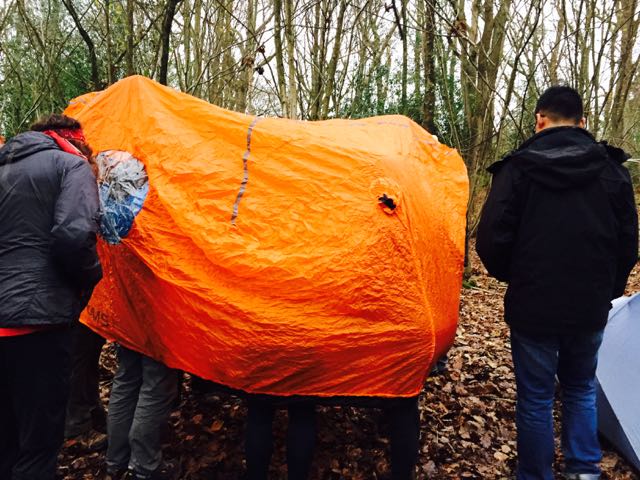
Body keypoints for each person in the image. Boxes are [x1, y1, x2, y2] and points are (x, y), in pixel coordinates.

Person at [476, 86, 638, 480]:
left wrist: (519, 277)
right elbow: (628, 244)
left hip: (534, 305)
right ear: (582, 122)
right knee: (580, 388)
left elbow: (490, 240)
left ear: (539, 120)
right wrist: (607, 289)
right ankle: (583, 471)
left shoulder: (517, 170)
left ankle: (536, 474)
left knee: (536, 397)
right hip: (588, 305)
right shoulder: (611, 171)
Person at [0, 114, 102, 479]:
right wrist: (90, 279)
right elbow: (73, 237)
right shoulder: (71, 166)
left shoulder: (4, 166)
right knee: (39, 445)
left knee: (6, 440)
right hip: (37, 325)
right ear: (75, 142)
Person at [245, 395, 420, 480]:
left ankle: (255, 476)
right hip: (303, 345)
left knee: (259, 411)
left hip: (261, 345)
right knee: (301, 411)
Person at [105, 345, 178, 480]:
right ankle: (144, 466)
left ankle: (117, 461)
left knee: (127, 378)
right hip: (160, 334)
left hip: (129, 331)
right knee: (157, 386)